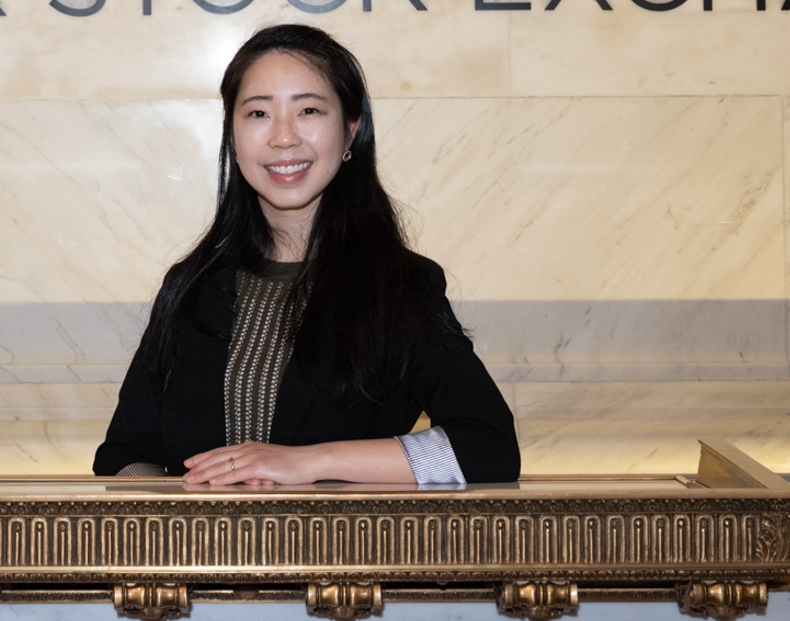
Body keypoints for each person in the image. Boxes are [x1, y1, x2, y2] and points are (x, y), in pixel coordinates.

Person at [92, 24, 519, 486]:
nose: (283, 138)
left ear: (351, 130)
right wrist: (180, 506)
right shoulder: (190, 285)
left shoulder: (400, 287)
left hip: (339, 554)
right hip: (202, 556)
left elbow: (487, 447)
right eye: (257, 114)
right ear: (233, 137)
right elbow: (124, 455)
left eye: (309, 110)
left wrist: (310, 462)